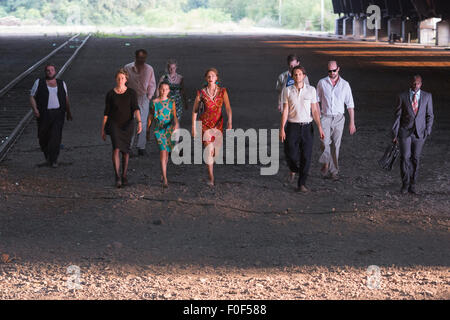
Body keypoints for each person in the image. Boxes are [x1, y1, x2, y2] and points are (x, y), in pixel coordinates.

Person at [280, 65, 324, 192]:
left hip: (307, 127)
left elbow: (315, 110)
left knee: (306, 156)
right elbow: (285, 110)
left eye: (300, 74)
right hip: (292, 126)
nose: (297, 76)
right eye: (295, 74)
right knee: (290, 152)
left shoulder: (311, 90)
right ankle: (294, 168)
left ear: (304, 76)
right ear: (292, 76)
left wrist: (320, 127)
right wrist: (282, 128)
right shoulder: (287, 90)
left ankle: (301, 184)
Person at [392, 74, 434, 194]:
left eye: (418, 84)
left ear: (421, 84)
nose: (416, 86)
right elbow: (397, 116)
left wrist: (428, 130)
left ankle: (413, 184)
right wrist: (395, 133)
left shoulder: (427, 96)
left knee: (415, 158)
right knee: (405, 157)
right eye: (414, 83)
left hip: (420, 134)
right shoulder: (402, 96)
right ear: (411, 83)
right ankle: (405, 184)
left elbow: (430, 115)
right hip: (405, 132)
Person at [316, 60, 356, 181]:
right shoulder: (322, 83)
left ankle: (334, 171)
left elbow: (350, 104)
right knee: (324, 142)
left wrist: (352, 122)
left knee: (335, 146)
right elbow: (316, 101)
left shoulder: (345, 84)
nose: (332, 73)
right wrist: (318, 117)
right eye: (329, 71)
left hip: (339, 118)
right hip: (325, 116)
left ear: (338, 69)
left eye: (334, 70)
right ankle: (326, 162)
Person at [102, 69, 142, 188]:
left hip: (128, 124)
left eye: (123, 78)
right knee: (116, 148)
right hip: (114, 124)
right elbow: (106, 112)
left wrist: (139, 121)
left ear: (126, 79)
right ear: (116, 79)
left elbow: (136, 108)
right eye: (119, 78)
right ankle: (117, 176)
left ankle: (124, 175)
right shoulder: (110, 94)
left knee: (126, 150)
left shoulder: (131, 93)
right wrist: (102, 128)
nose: (120, 80)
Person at [192, 68, 232, 186]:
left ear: (216, 78)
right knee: (209, 150)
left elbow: (228, 107)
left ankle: (210, 169)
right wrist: (194, 127)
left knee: (215, 152)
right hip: (205, 124)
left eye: (213, 76)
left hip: (218, 124)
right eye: (208, 76)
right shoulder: (201, 93)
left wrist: (230, 121)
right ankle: (211, 177)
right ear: (206, 78)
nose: (210, 78)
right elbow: (195, 111)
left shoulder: (222, 92)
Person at [30, 63, 73, 168]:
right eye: (48, 70)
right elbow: (32, 96)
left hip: (58, 113)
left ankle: (54, 160)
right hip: (44, 114)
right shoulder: (39, 82)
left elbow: (66, 98)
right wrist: (35, 109)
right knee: (43, 136)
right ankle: (48, 158)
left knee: (55, 137)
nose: (50, 72)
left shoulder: (61, 83)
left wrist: (68, 111)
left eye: (52, 70)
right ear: (45, 72)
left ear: (55, 71)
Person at [124, 49, 156, 156]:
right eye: (140, 58)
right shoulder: (127, 68)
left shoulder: (149, 69)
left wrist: (149, 96)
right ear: (136, 57)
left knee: (143, 122)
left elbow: (152, 83)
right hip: (130, 97)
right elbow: (124, 82)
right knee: (130, 122)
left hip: (143, 98)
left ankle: (141, 147)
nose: (142, 60)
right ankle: (128, 147)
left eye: (143, 58)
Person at [146, 82, 179, 188]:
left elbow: (174, 115)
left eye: (166, 89)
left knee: (167, 152)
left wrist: (176, 124)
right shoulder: (154, 102)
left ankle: (163, 171)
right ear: (159, 90)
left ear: (169, 91)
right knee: (163, 151)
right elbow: (150, 117)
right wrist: (147, 130)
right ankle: (165, 177)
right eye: (162, 89)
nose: (164, 91)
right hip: (158, 130)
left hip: (169, 129)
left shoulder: (171, 102)